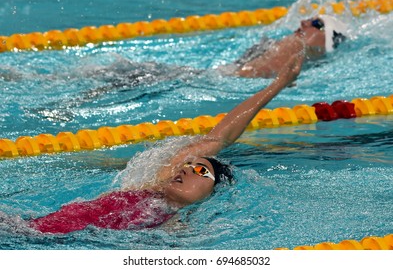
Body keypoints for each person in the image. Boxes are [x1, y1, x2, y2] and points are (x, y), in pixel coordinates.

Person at [28, 49, 304, 234]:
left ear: (212, 193)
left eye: (200, 171)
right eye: (189, 164)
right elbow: (219, 136)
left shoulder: (178, 230)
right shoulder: (153, 187)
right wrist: (276, 85)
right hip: (33, 230)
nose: (187, 169)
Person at [218, 14, 348, 78]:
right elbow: (241, 75)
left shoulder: (295, 47)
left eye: (316, 23)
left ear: (328, 38)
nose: (303, 22)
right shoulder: (294, 45)